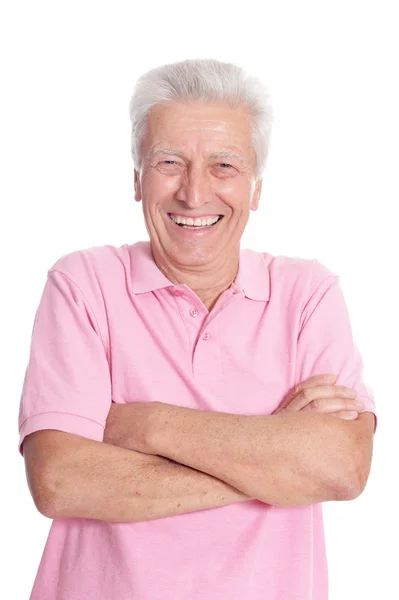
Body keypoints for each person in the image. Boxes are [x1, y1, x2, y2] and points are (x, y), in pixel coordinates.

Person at [18, 58, 377, 600]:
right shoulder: (83, 284)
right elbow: (60, 481)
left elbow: (342, 469)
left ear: (256, 188)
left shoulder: (308, 294)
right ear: (137, 179)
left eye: (224, 166)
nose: (193, 193)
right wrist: (273, 458)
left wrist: (144, 425)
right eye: (169, 162)